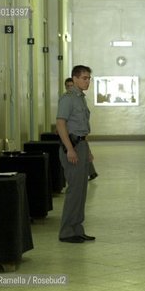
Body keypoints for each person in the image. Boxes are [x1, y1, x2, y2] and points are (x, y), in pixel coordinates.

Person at [56, 66, 96, 243]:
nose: (88, 81)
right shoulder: (68, 99)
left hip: (81, 145)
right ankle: (66, 231)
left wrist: (87, 150)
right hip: (71, 146)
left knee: (81, 191)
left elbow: (82, 128)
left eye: (89, 78)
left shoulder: (81, 99)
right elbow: (60, 124)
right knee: (74, 191)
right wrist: (70, 149)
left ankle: (77, 228)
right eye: (85, 78)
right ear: (75, 78)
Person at [64, 77, 98, 181]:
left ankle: (91, 172)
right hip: (70, 135)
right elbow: (62, 121)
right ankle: (90, 173)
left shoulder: (80, 99)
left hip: (80, 136)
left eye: (71, 86)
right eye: (68, 86)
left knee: (85, 153)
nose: (70, 88)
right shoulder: (66, 99)